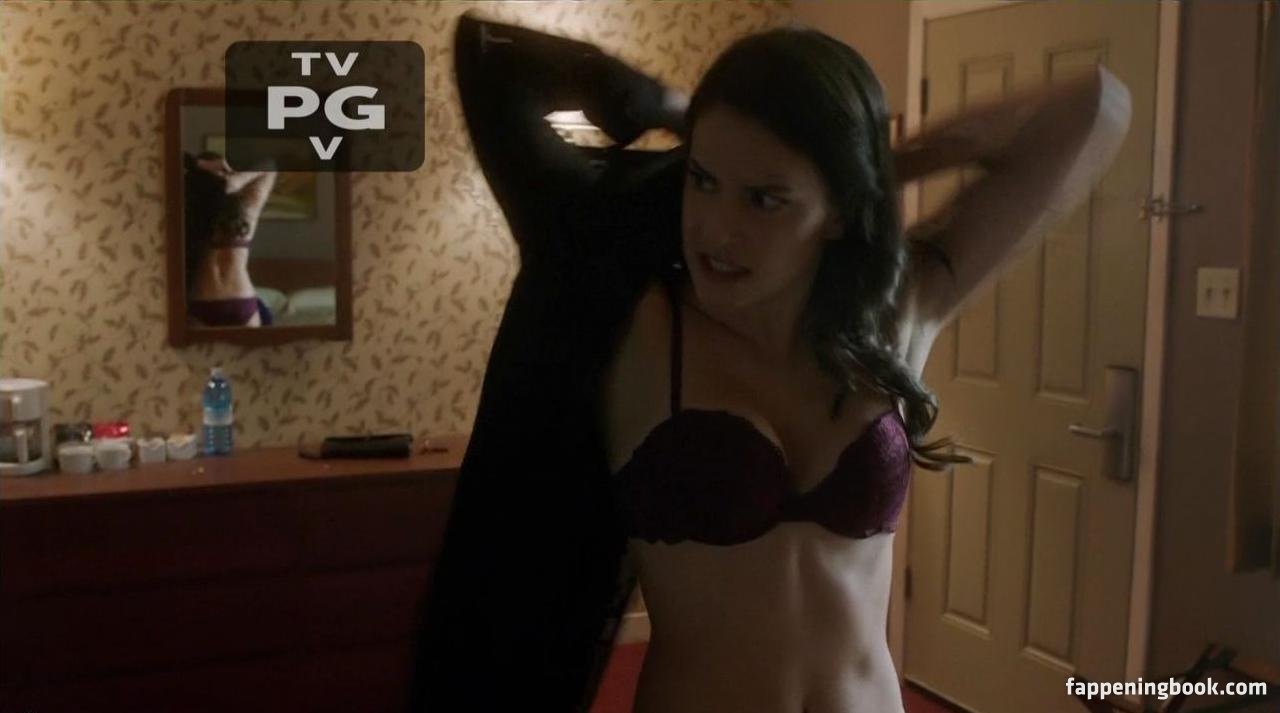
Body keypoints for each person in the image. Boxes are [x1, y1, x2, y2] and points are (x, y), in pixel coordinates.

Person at [410, 10, 1132, 713]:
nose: (717, 230)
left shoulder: (896, 314)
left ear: (839, 211)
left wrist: (878, 168)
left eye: (764, 199)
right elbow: (490, 60)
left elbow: (1097, 108)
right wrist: (664, 105)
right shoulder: (640, 329)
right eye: (703, 180)